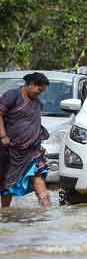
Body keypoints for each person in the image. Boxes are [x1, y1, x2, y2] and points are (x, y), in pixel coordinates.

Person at [0, 72, 51, 207]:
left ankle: (48, 211)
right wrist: (3, 136)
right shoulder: (12, 96)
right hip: (12, 150)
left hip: (33, 150)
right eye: (39, 90)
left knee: (38, 175)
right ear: (31, 84)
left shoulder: (37, 102)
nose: (39, 93)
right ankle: (5, 213)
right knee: (8, 183)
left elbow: (34, 124)